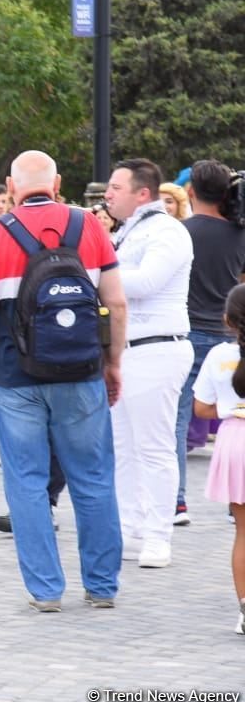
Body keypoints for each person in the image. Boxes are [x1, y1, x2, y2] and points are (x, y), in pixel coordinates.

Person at [0, 150, 127, 612]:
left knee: (27, 481)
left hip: (16, 378)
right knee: (93, 478)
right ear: (56, 183)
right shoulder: (89, 226)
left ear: (12, 187)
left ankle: (45, 590)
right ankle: (101, 586)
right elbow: (116, 304)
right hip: (81, 372)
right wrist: (113, 363)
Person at [104, 159, 194, 568]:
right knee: (122, 446)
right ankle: (127, 525)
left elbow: (147, 282)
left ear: (143, 193)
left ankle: (159, 535)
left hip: (158, 346)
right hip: (125, 349)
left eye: (116, 188)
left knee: (155, 446)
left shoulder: (167, 231)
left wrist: (97, 270)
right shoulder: (126, 232)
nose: (108, 194)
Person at [174, 160, 245, 526]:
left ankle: (177, 501)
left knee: (177, 418)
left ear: (190, 191)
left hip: (186, 332)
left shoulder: (180, 232)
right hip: (231, 336)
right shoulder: (239, 234)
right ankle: (238, 500)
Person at [191, 283, 245, 635]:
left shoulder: (218, 356)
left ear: (227, 320)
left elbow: (202, 408)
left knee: (243, 532)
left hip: (235, 440)